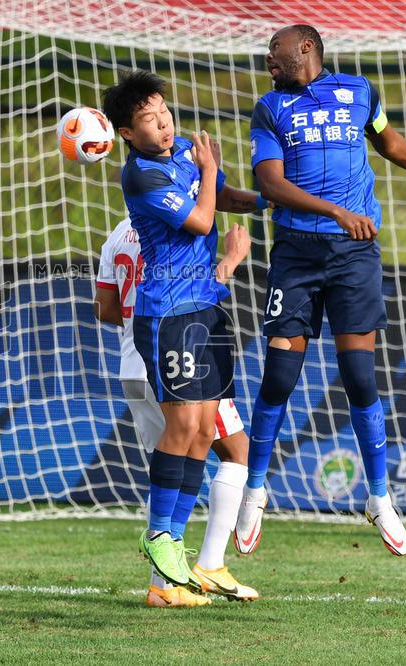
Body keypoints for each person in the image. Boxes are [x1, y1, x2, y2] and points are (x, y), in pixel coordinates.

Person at [235, 24, 406, 557]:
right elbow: (269, 183)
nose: (268, 58)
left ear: (305, 48)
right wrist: (334, 211)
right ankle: (255, 490)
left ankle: (379, 498)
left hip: (355, 256)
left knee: (359, 376)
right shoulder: (270, 108)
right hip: (297, 254)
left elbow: (387, 140)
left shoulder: (359, 91)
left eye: (275, 50)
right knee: (280, 375)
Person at [101, 70, 270, 592]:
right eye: (149, 120)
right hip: (169, 313)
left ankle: (176, 547)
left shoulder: (180, 157)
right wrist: (211, 166)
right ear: (128, 134)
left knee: (203, 432)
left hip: (207, 306)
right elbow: (201, 219)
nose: (163, 124)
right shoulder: (141, 176)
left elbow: (224, 196)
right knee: (182, 429)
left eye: (164, 112)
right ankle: (159, 534)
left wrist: (275, 200)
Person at [95, 216, 259, 607]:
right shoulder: (177, 230)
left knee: (166, 464)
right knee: (237, 452)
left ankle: (164, 586)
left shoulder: (117, 234)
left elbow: (104, 309)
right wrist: (233, 259)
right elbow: (196, 296)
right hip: (177, 359)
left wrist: (140, 322)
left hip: (133, 365)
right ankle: (210, 564)